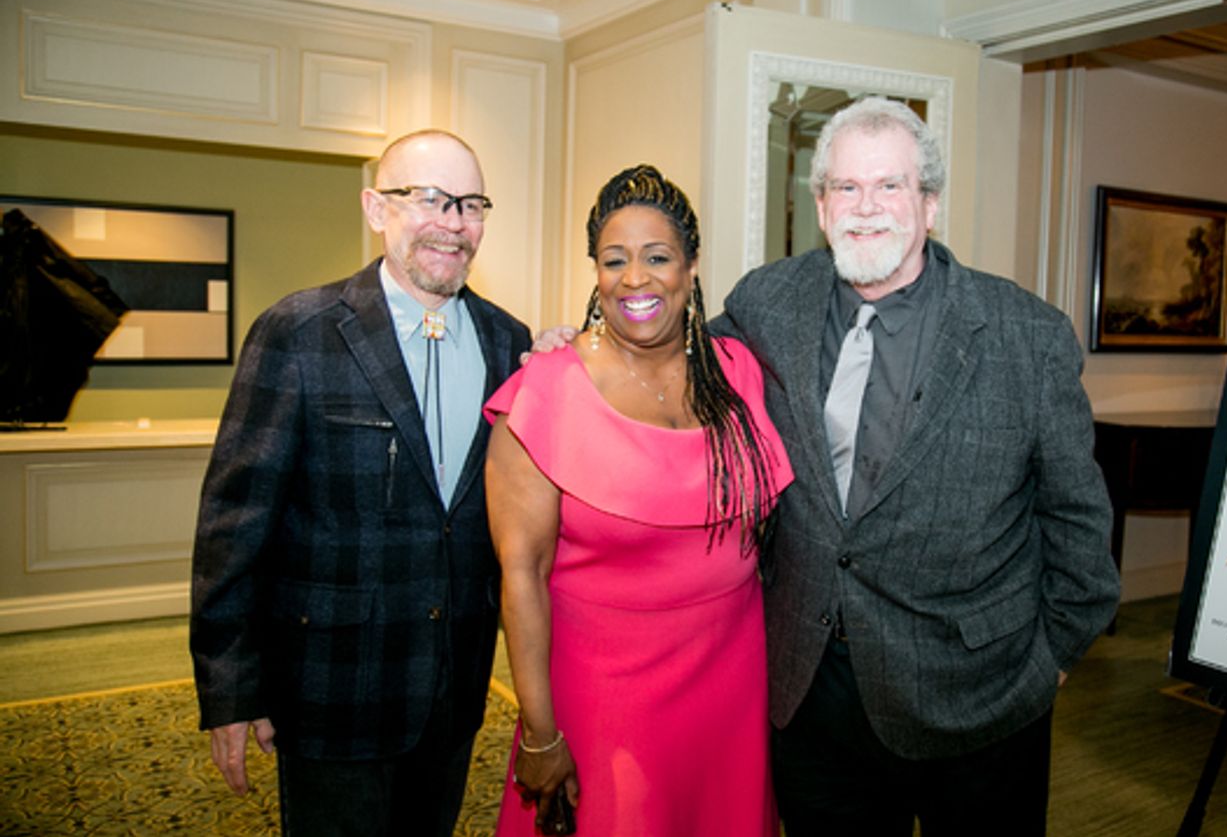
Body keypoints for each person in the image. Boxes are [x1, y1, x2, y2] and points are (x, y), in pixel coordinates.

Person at [711, 96, 1120, 835]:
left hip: (980, 704)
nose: (867, 208)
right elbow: (673, 369)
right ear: (821, 202)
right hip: (815, 696)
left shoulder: (1026, 335)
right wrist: (576, 348)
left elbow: (1079, 521)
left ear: (929, 203)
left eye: (890, 186)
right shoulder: (767, 301)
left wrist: (1047, 665)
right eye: (846, 187)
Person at [189, 129, 531, 837]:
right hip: (332, 687)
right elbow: (234, 521)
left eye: (470, 204)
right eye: (429, 198)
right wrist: (229, 688)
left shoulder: (509, 341)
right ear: (377, 209)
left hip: (453, 688)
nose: (453, 222)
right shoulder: (300, 331)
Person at [486, 164, 794, 836]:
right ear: (594, 270)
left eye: (657, 257)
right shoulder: (546, 390)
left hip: (731, 681)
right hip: (605, 696)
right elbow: (522, 575)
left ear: (691, 267)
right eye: (614, 259)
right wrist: (539, 731)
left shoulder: (738, 372)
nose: (635, 279)